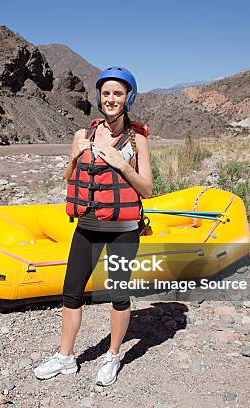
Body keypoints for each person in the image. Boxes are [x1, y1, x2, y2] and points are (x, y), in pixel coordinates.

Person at [33, 66, 152, 386]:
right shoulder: (81, 136)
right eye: (106, 93)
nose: (111, 99)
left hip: (124, 229)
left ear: (128, 98)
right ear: (99, 96)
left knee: (118, 293)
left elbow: (147, 190)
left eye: (118, 93)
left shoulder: (137, 138)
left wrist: (121, 163)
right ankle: (66, 357)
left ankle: (113, 356)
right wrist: (75, 159)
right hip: (86, 226)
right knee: (71, 292)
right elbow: (68, 178)